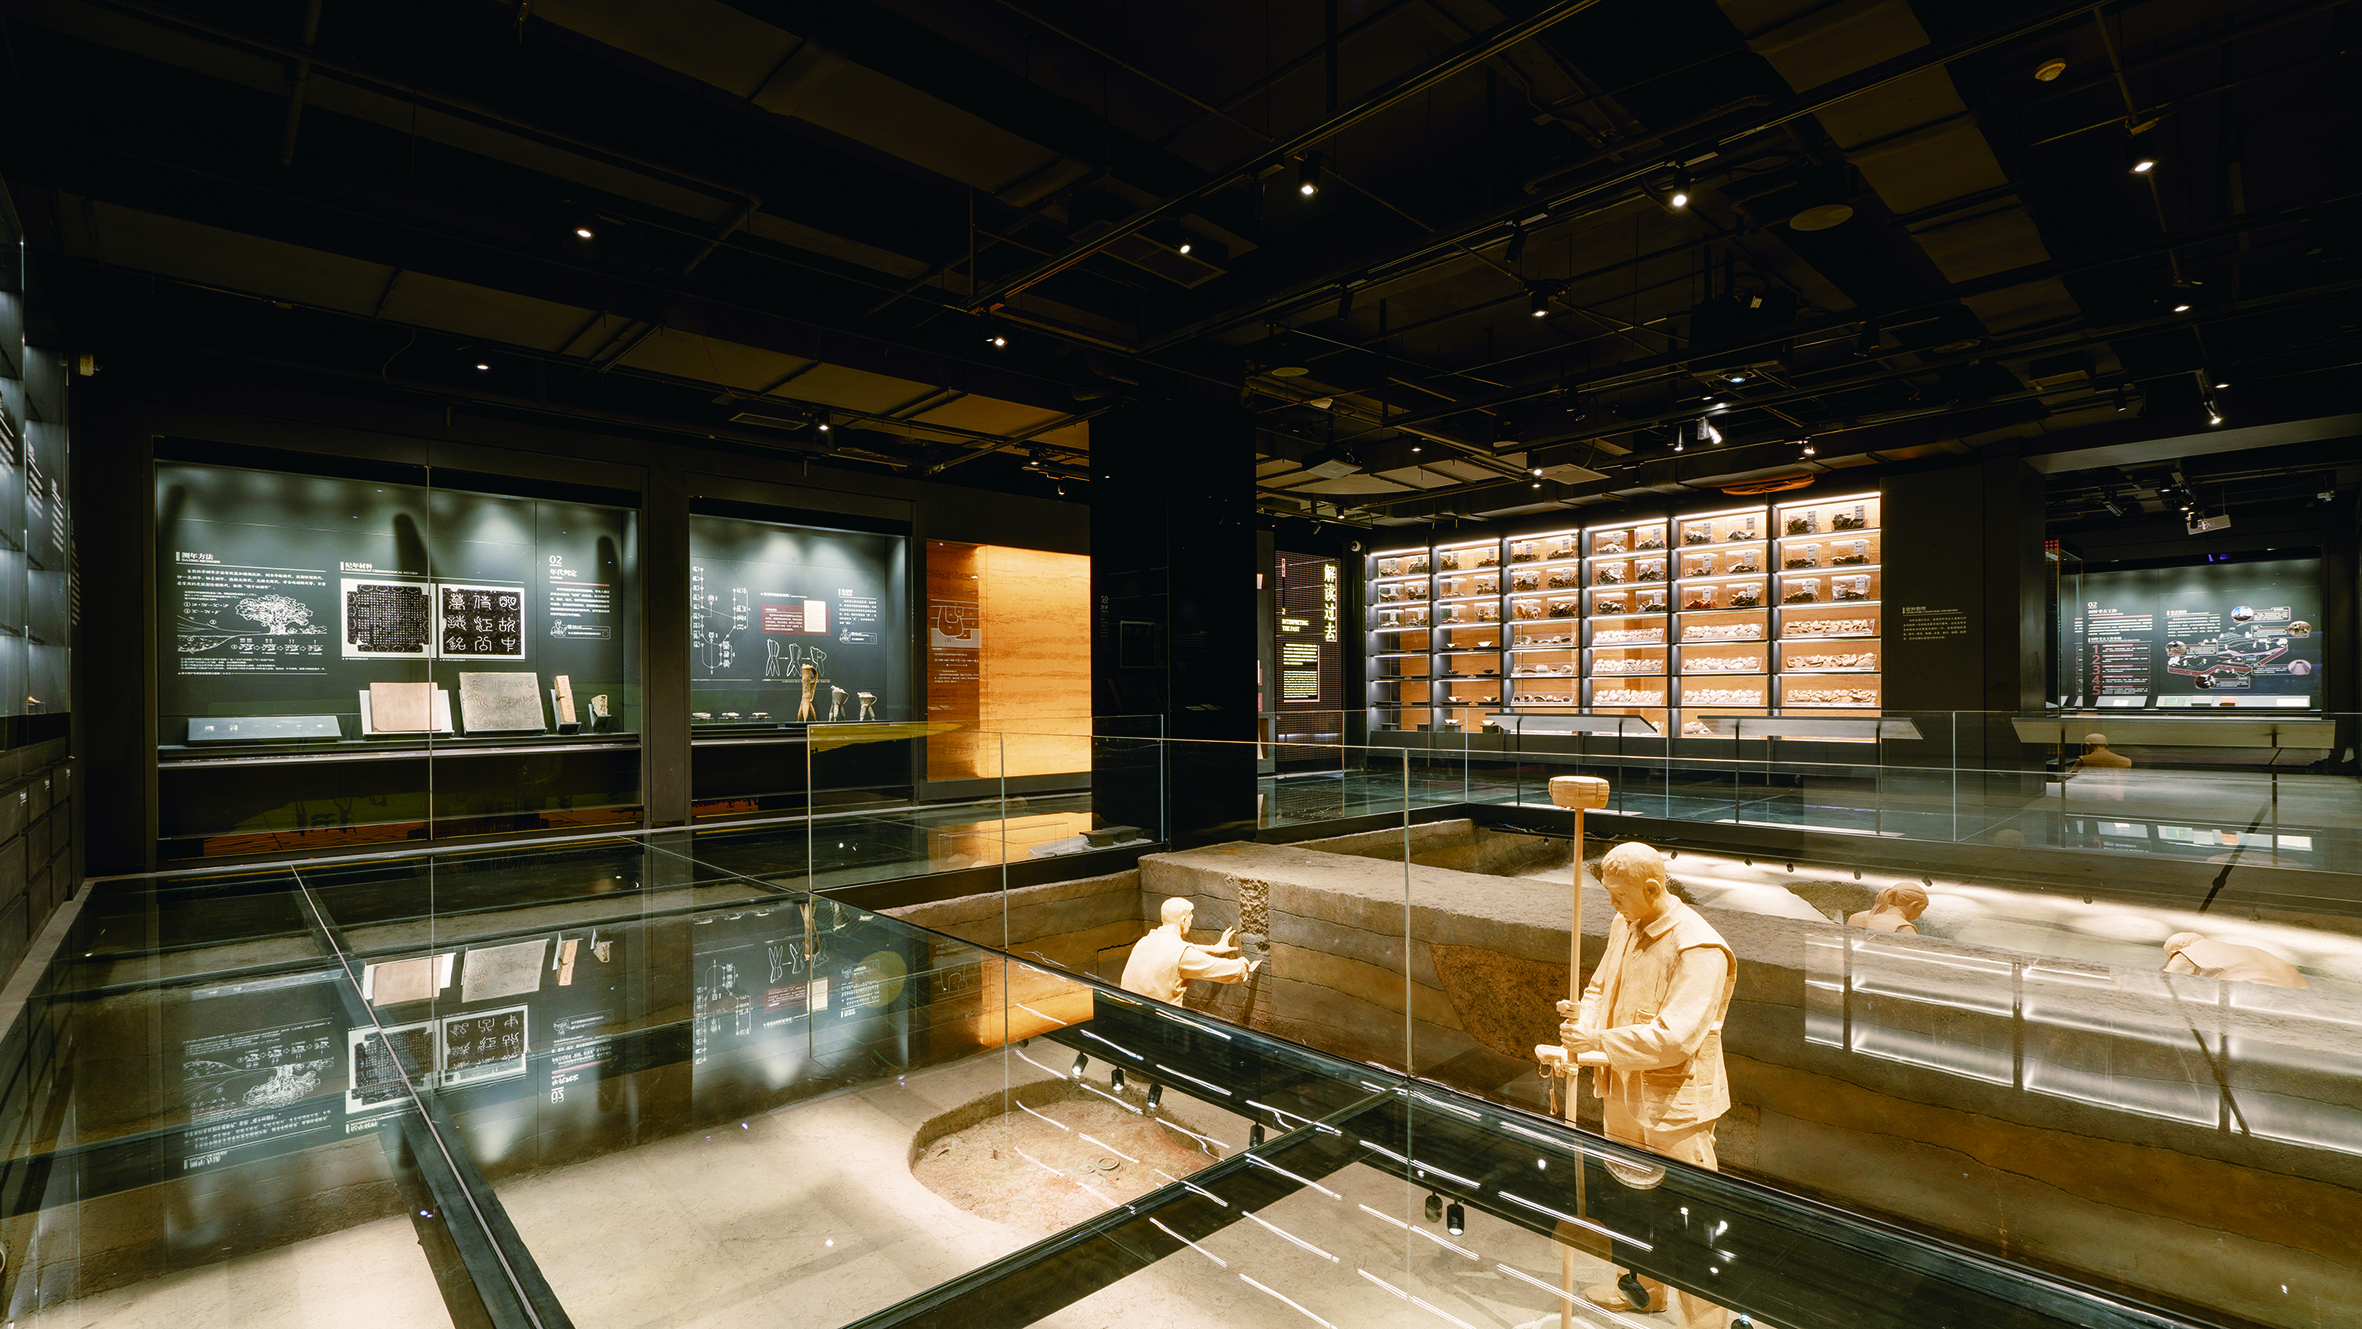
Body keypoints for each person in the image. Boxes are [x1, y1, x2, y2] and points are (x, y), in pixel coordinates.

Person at [1556, 842, 1736, 1327]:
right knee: (1631, 1200)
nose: (1612, 903)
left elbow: (1676, 1037)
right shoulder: (1625, 924)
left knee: (1691, 1219)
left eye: (1619, 894)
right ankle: (1644, 1290)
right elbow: (1599, 988)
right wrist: (1581, 1023)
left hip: (1673, 1104)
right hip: (1619, 1087)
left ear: (1653, 888)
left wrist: (1598, 1039)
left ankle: (1705, 1324)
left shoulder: (1699, 948)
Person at [1119, 896, 1258, 1003]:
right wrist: (1243, 965)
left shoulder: (1144, 942)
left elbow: (1176, 950)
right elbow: (1219, 968)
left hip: (1128, 1014)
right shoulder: (1180, 954)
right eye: (1190, 919)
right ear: (1184, 921)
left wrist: (1213, 949)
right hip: (1157, 1021)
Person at [2162, 933, 2309, 989]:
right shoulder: (2225, 947)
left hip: (2262, 993)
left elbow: (2170, 986)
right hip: (2299, 990)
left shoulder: (2186, 953)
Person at [1847, 882, 1929, 934]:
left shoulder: (1855, 917)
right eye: (1921, 910)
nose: (1919, 916)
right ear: (1914, 905)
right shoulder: (1904, 928)